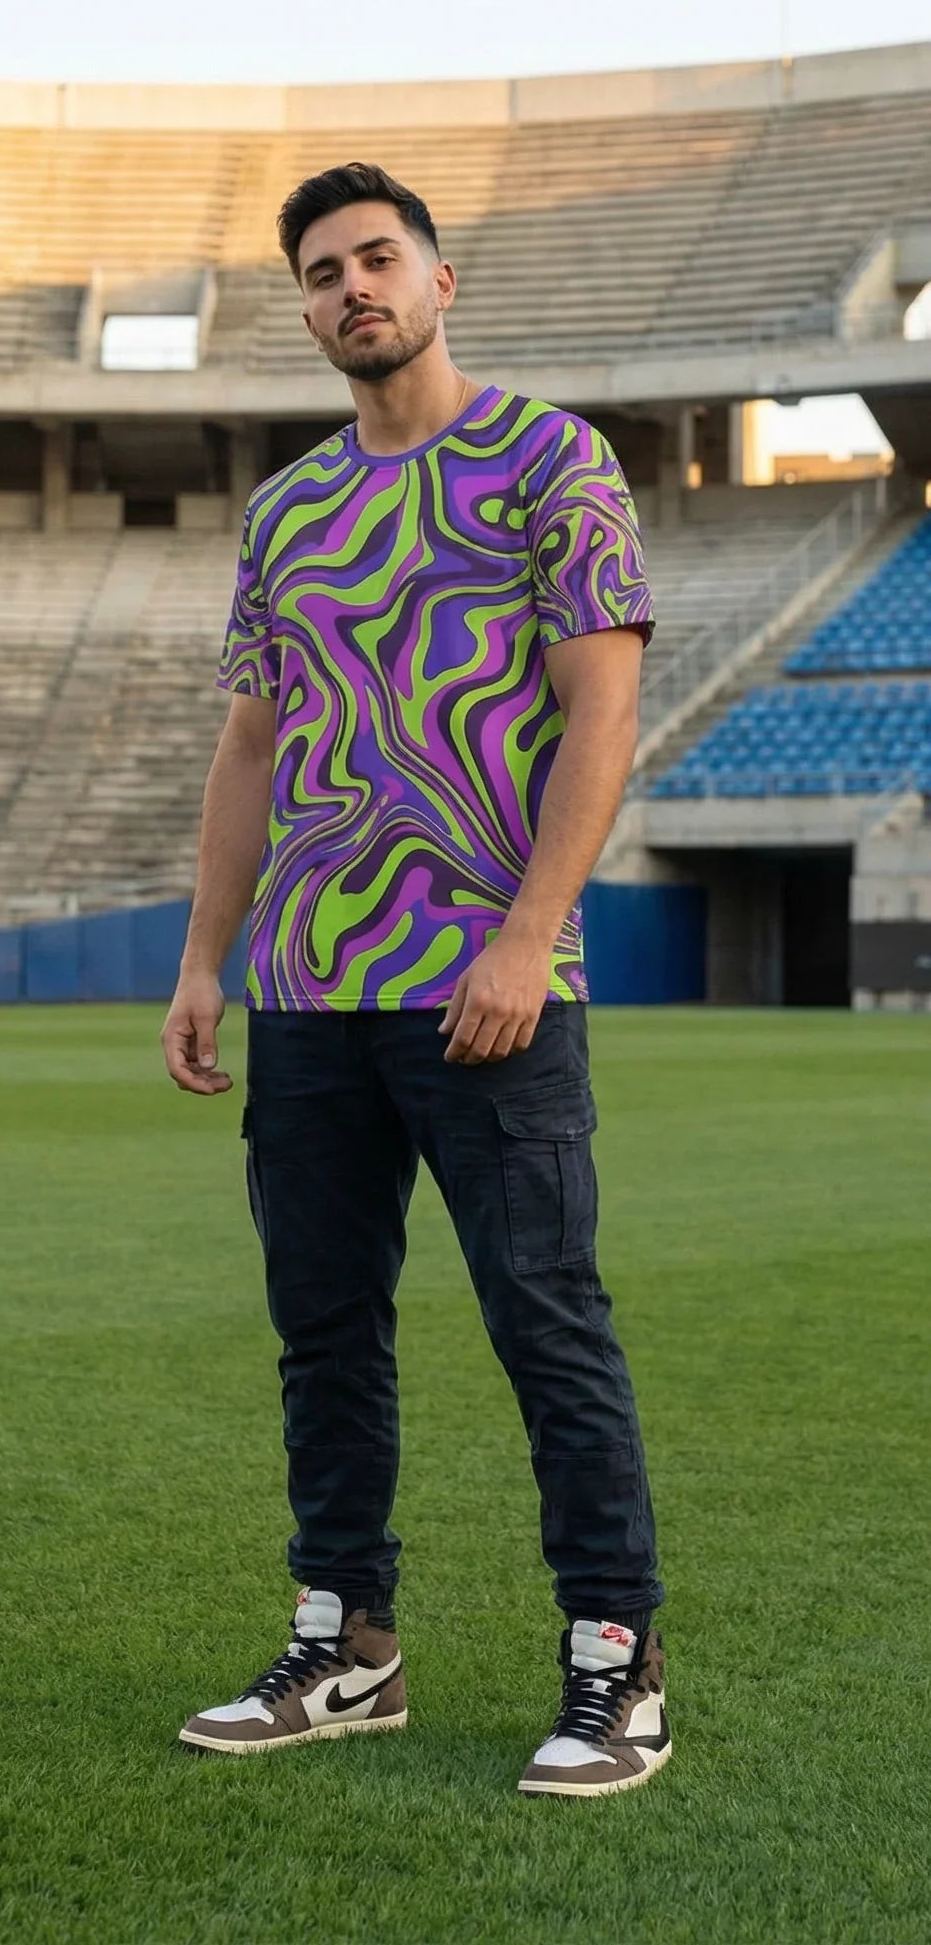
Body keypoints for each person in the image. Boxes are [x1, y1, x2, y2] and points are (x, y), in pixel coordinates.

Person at [162, 162, 668, 1798]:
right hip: (312, 994)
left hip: (488, 989)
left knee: (546, 1322)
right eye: (321, 273)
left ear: (444, 281)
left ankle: (616, 1664)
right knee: (323, 1327)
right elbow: (252, 742)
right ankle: (347, 1641)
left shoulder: (549, 461)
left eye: (378, 260)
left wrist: (528, 933)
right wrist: (203, 958)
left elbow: (602, 713)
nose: (350, 289)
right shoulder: (287, 510)